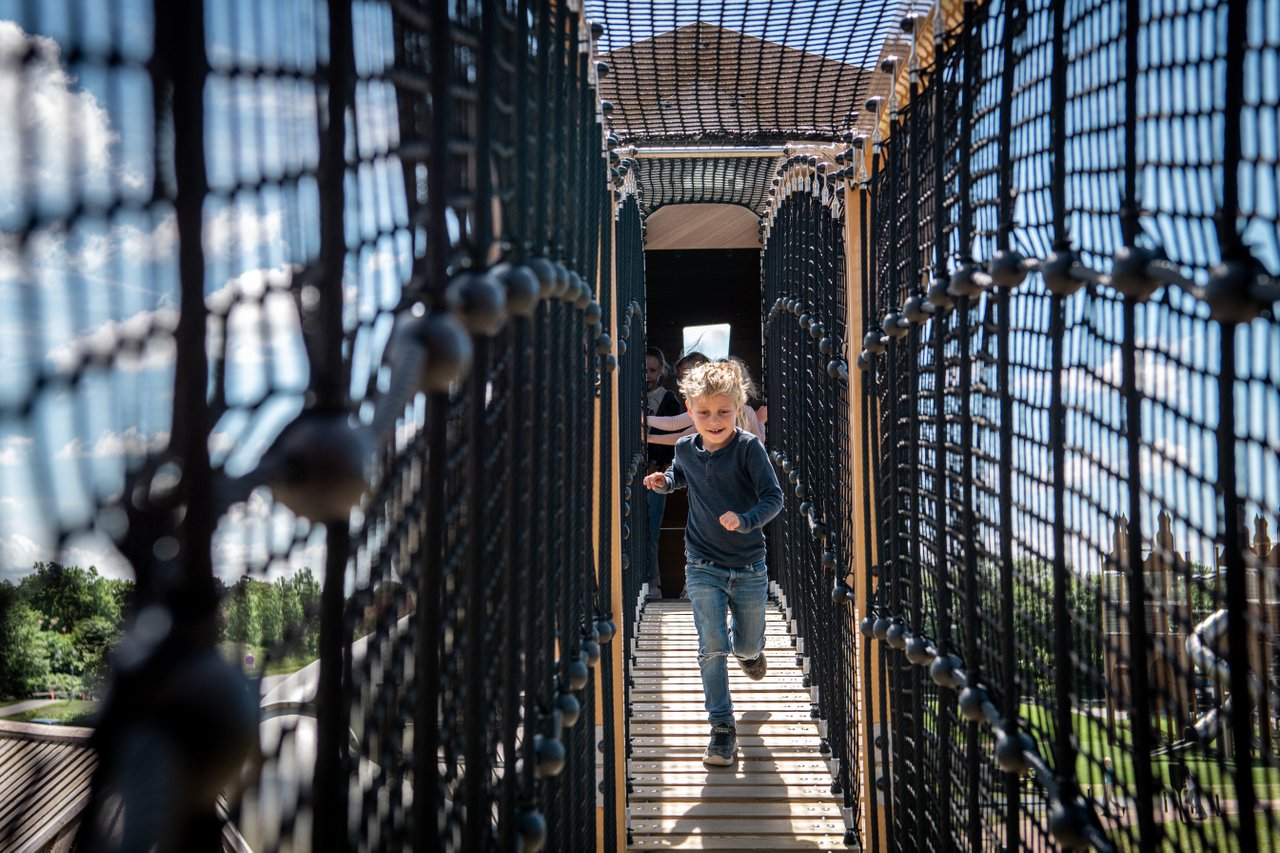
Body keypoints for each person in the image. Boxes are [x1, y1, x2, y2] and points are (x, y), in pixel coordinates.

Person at [642, 360, 784, 766]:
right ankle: (722, 728)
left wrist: (746, 520)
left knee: (746, 642)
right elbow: (681, 474)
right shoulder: (687, 447)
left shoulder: (748, 448)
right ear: (689, 408)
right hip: (701, 562)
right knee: (711, 647)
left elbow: (774, 498)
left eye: (723, 411)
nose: (714, 420)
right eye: (703, 413)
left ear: (738, 406)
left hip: (748, 566)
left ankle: (752, 653)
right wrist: (665, 483)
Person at [647, 356, 767, 445]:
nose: (714, 421)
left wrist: (647, 428)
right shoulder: (748, 412)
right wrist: (760, 422)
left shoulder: (706, 410)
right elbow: (759, 443)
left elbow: (677, 427)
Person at [644, 347, 682, 599]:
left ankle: (653, 582)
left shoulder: (668, 400)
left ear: (661, 372)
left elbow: (673, 436)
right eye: (643, 370)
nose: (647, 375)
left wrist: (659, 464)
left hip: (657, 472)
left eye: (652, 370)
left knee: (651, 529)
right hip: (634, 471)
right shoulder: (627, 395)